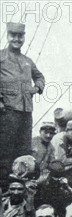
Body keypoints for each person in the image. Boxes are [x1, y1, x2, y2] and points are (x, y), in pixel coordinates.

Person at [0, 22, 46, 182]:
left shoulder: (27, 60)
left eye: (20, 36)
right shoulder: (1, 57)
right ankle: (5, 189)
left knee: (23, 151)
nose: (17, 39)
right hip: (8, 111)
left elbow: (39, 76)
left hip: (26, 112)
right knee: (6, 151)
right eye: (13, 35)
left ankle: (19, 187)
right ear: (8, 36)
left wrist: (38, 87)